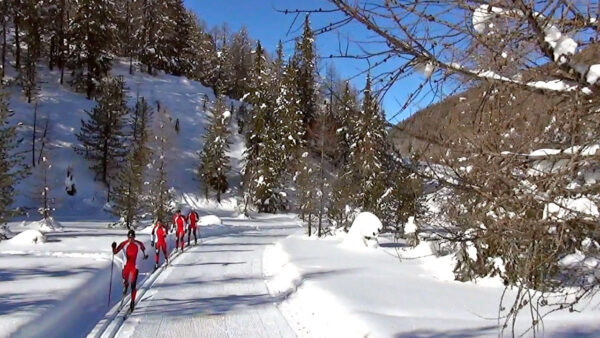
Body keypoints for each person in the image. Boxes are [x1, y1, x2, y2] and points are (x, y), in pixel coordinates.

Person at [112, 230, 148, 312]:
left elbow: (144, 251)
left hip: (134, 266)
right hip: (126, 266)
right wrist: (113, 247)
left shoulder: (139, 244)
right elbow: (115, 252)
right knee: (125, 278)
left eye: (132, 237)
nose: (130, 239)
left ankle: (132, 301)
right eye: (129, 237)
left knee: (133, 285)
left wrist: (145, 256)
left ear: (134, 237)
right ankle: (125, 285)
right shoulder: (124, 244)